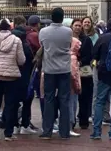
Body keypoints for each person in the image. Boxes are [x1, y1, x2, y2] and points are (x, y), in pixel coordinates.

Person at [0, 19, 26, 141]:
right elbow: (21, 60)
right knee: (10, 104)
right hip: (11, 76)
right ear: (9, 28)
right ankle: (8, 133)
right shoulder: (16, 40)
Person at [38, 8, 73, 140]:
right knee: (64, 100)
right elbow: (69, 45)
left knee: (48, 99)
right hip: (64, 69)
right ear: (62, 18)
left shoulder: (43, 31)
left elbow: (42, 45)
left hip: (49, 69)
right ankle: (64, 131)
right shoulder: (68, 31)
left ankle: (47, 130)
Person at [11, 16, 36, 135]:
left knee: (14, 100)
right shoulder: (24, 42)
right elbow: (27, 58)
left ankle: (14, 124)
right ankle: (25, 124)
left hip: (12, 73)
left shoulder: (9, 39)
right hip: (25, 74)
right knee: (27, 99)